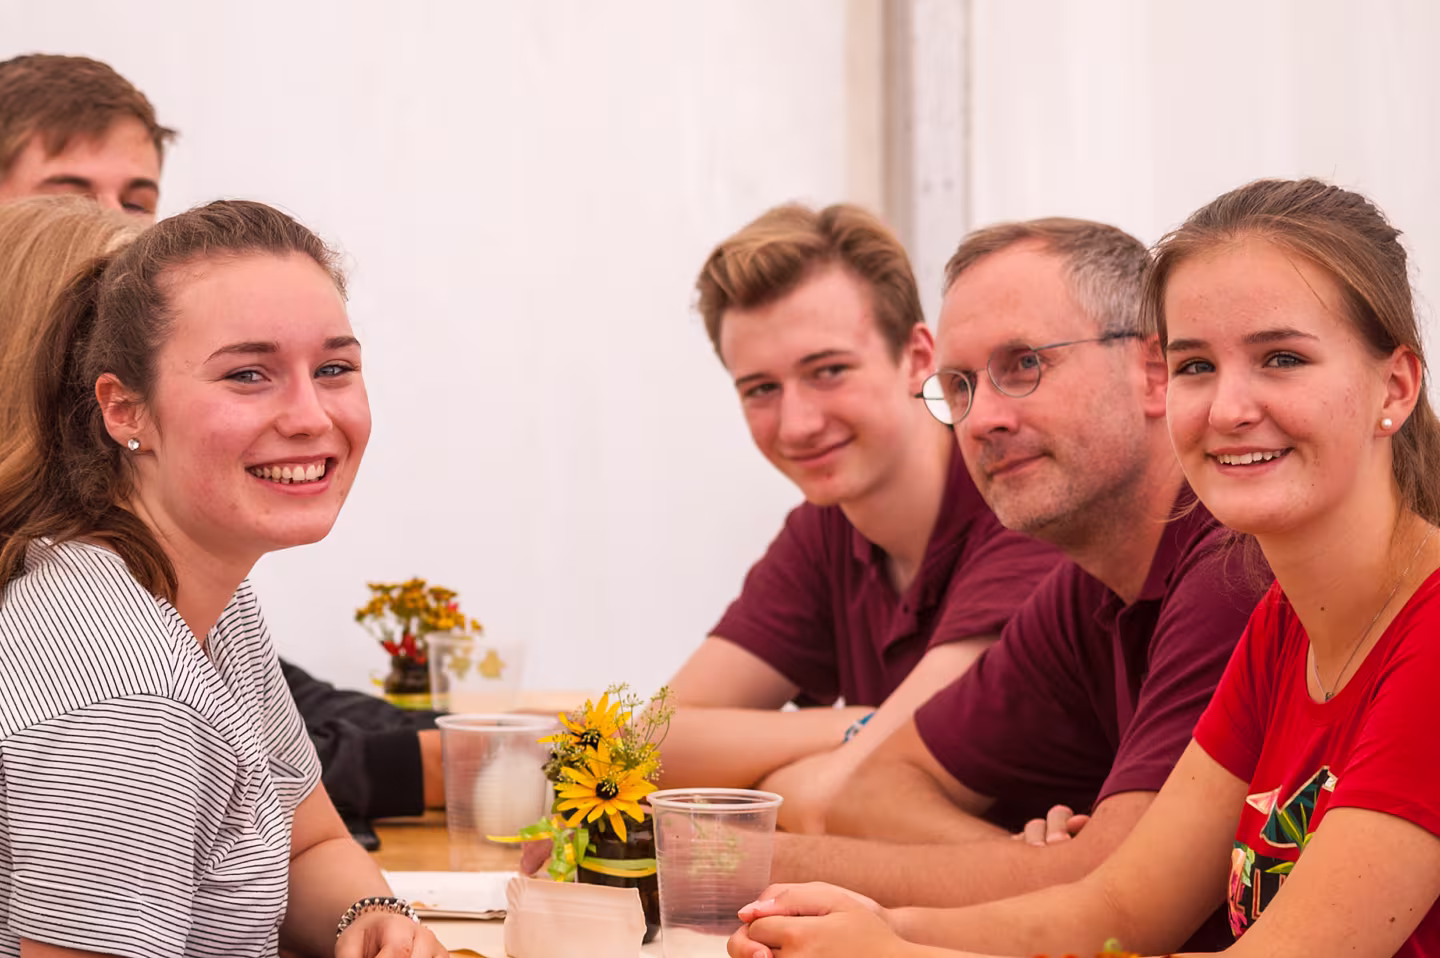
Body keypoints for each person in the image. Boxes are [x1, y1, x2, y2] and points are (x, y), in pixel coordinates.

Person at [730, 178, 1440, 958]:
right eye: (1198, 366)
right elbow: (1120, 908)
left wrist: (891, 949)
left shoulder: (1412, 628)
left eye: (1281, 358)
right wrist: (860, 925)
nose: (1229, 407)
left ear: (1396, 386)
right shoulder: (1283, 624)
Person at [764, 218, 1266, 945]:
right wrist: (1023, 863)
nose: (982, 421)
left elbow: (1122, 888)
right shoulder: (1084, 585)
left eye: (1024, 364)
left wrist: (738, 858)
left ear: (1154, 371)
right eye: (959, 386)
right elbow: (870, 789)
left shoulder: (1233, 564)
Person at [0, 51, 444, 825]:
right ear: (120, 407)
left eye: (140, 198)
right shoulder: (93, 646)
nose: (123, 227)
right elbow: (153, 729)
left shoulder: (171, 557)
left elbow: (255, 698)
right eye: (71, 192)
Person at [0, 197, 445, 957]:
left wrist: (368, 917)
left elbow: (307, 847)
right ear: (123, 409)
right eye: (248, 374)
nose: (310, 415)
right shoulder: (128, 704)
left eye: (334, 368)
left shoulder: (198, 591)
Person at [663, 203, 1064, 832]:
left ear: (917, 357)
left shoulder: (1017, 500)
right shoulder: (825, 528)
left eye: (829, 371)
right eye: (760, 389)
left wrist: (774, 772)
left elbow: (848, 796)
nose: (797, 424)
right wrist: (853, 724)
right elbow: (643, 750)